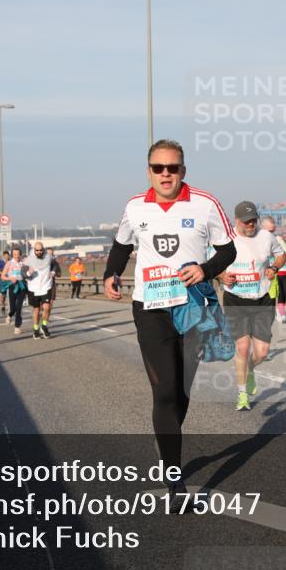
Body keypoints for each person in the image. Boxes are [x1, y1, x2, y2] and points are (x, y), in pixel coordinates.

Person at [103, 139, 236, 505]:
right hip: (150, 308)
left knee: (181, 391)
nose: (166, 174)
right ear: (149, 171)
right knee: (163, 391)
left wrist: (205, 269)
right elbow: (121, 245)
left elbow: (229, 249)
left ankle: (167, 441)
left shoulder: (205, 204)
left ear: (183, 171)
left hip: (192, 307)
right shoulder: (135, 207)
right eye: (158, 168)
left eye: (172, 168)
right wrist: (111, 273)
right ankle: (175, 479)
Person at [219, 202, 286, 411]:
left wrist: (274, 267)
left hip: (262, 298)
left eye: (254, 220)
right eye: (246, 221)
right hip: (235, 299)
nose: (251, 224)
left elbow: (282, 255)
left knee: (262, 352)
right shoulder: (225, 239)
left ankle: (250, 369)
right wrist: (221, 275)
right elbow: (208, 264)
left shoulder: (266, 236)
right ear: (236, 220)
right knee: (242, 347)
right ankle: (242, 394)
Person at [260, 217, 286, 323]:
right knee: (271, 294)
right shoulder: (259, 241)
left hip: (283, 270)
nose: (271, 234)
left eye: (273, 230)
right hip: (269, 273)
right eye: (269, 231)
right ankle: (269, 313)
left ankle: (280, 312)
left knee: (282, 293)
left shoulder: (278, 239)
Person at [25, 242, 55, 339]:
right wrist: (28, 273)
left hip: (46, 286)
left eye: (41, 250)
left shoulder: (49, 257)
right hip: (34, 288)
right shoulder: (29, 259)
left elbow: (54, 264)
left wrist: (53, 271)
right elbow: (23, 273)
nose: (39, 252)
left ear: (43, 249)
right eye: (37, 250)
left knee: (47, 307)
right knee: (36, 310)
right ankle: (36, 329)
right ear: (34, 250)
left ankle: (44, 326)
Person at [2, 248, 27, 334]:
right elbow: (2, 276)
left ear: (20, 254)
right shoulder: (9, 263)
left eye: (18, 254)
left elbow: (27, 274)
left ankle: (17, 326)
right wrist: (10, 278)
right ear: (12, 254)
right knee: (12, 308)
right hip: (12, 286)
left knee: (19, 307)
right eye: (14, 254)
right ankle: (9, 315)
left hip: (21, 286)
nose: (16, 256)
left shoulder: (23, 264)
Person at [0, 250, 11, 322]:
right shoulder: (1, 262)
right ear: (3, 256)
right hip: (3, 281)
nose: (6, 257)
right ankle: (3, 305)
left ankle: (9, 309)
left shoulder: (10, 262)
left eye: (7, 255)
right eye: (5, 256)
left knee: (9, 295)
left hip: (9, 280)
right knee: (3, 295)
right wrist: (3, 273)